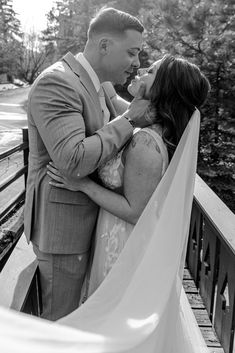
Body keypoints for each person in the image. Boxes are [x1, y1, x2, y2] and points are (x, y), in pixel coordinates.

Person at [24, 7, 153, 321]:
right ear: (105, 45)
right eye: (132, 53)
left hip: (90, 223)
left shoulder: (99, 84)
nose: (137, 63)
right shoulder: (58, 83)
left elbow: (138, 112)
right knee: (59, 324)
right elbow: (74, 159)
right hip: (63, 230)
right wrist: (129, 119)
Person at [47, 54, 211, 301]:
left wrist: (82, 184)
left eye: (151, 71)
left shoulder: (145, 142)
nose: (141, 68)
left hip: (123, 245)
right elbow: (112, 100)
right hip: (113, 234)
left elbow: (136, 211)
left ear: (163, 88)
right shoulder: (142, 123)